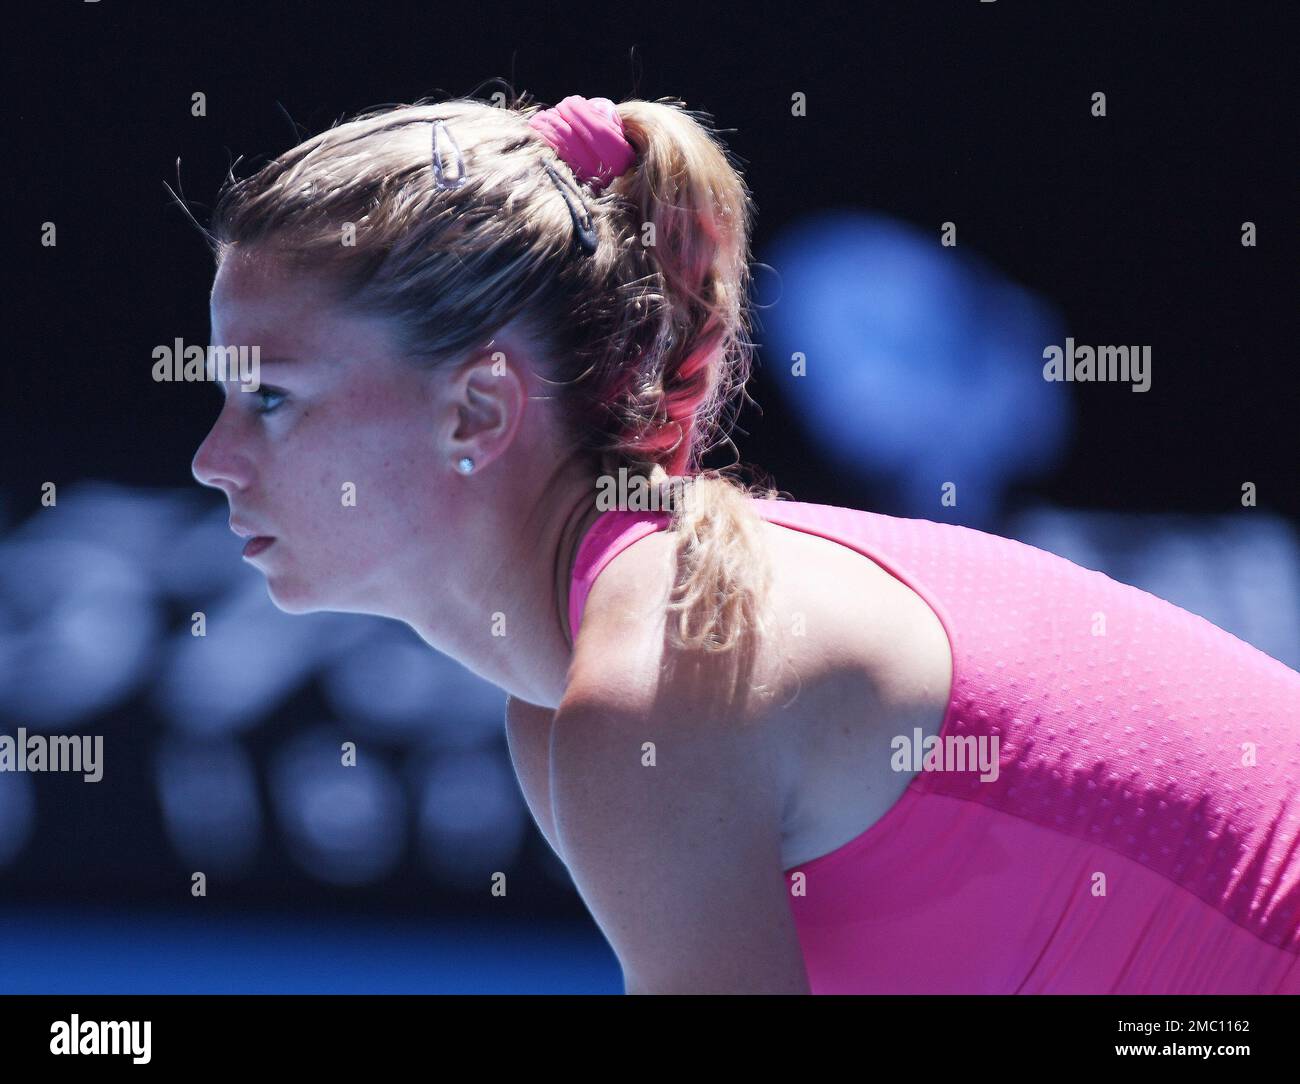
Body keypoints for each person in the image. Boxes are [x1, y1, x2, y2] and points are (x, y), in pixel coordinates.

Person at [190, 92, 1300, 994]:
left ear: (478, 412)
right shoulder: (572, 696)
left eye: (271, 398)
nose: (212, 457)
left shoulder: (642, 697)